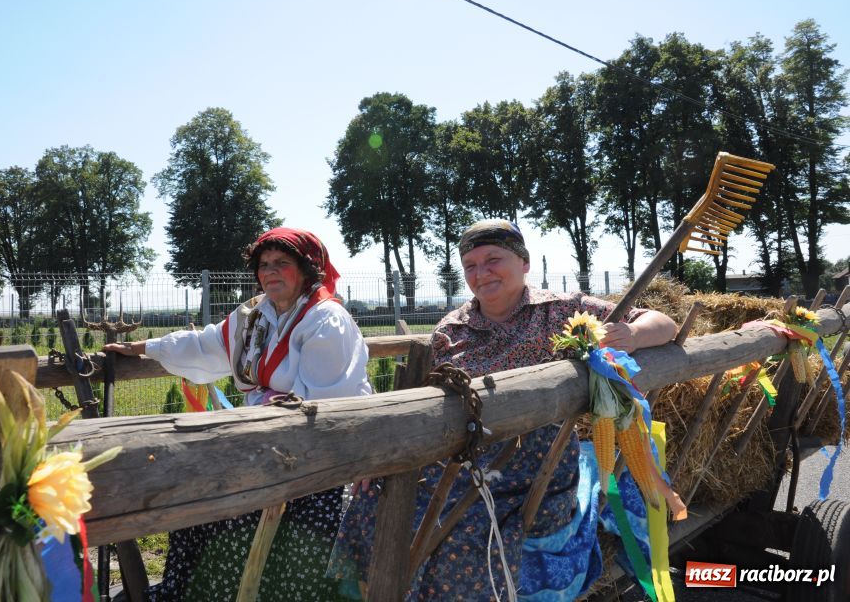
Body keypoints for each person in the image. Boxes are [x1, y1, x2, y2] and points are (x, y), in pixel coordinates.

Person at [329, 219, 677, 601]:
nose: (481, 274)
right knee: (372, 498)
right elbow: (425, 407)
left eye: (493, 259)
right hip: (464, 457)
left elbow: (664, 324)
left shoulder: (564, 311)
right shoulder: (451, 331)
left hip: (537, 466)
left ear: (524, 262)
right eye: (471, 266)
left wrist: (633, 335)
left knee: (463, 527)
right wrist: (383, 458)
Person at [106, 227, 371, 601]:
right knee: (197, 498)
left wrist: (262, 422)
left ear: (306, 269)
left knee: (232, 509)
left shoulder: (325, 319)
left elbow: (326, 408)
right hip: (265, 446)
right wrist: (144, 347)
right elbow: (205, 345)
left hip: (318, 463)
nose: (270, 271)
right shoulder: (255, 315)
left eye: (282, 263)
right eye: (264, 264)